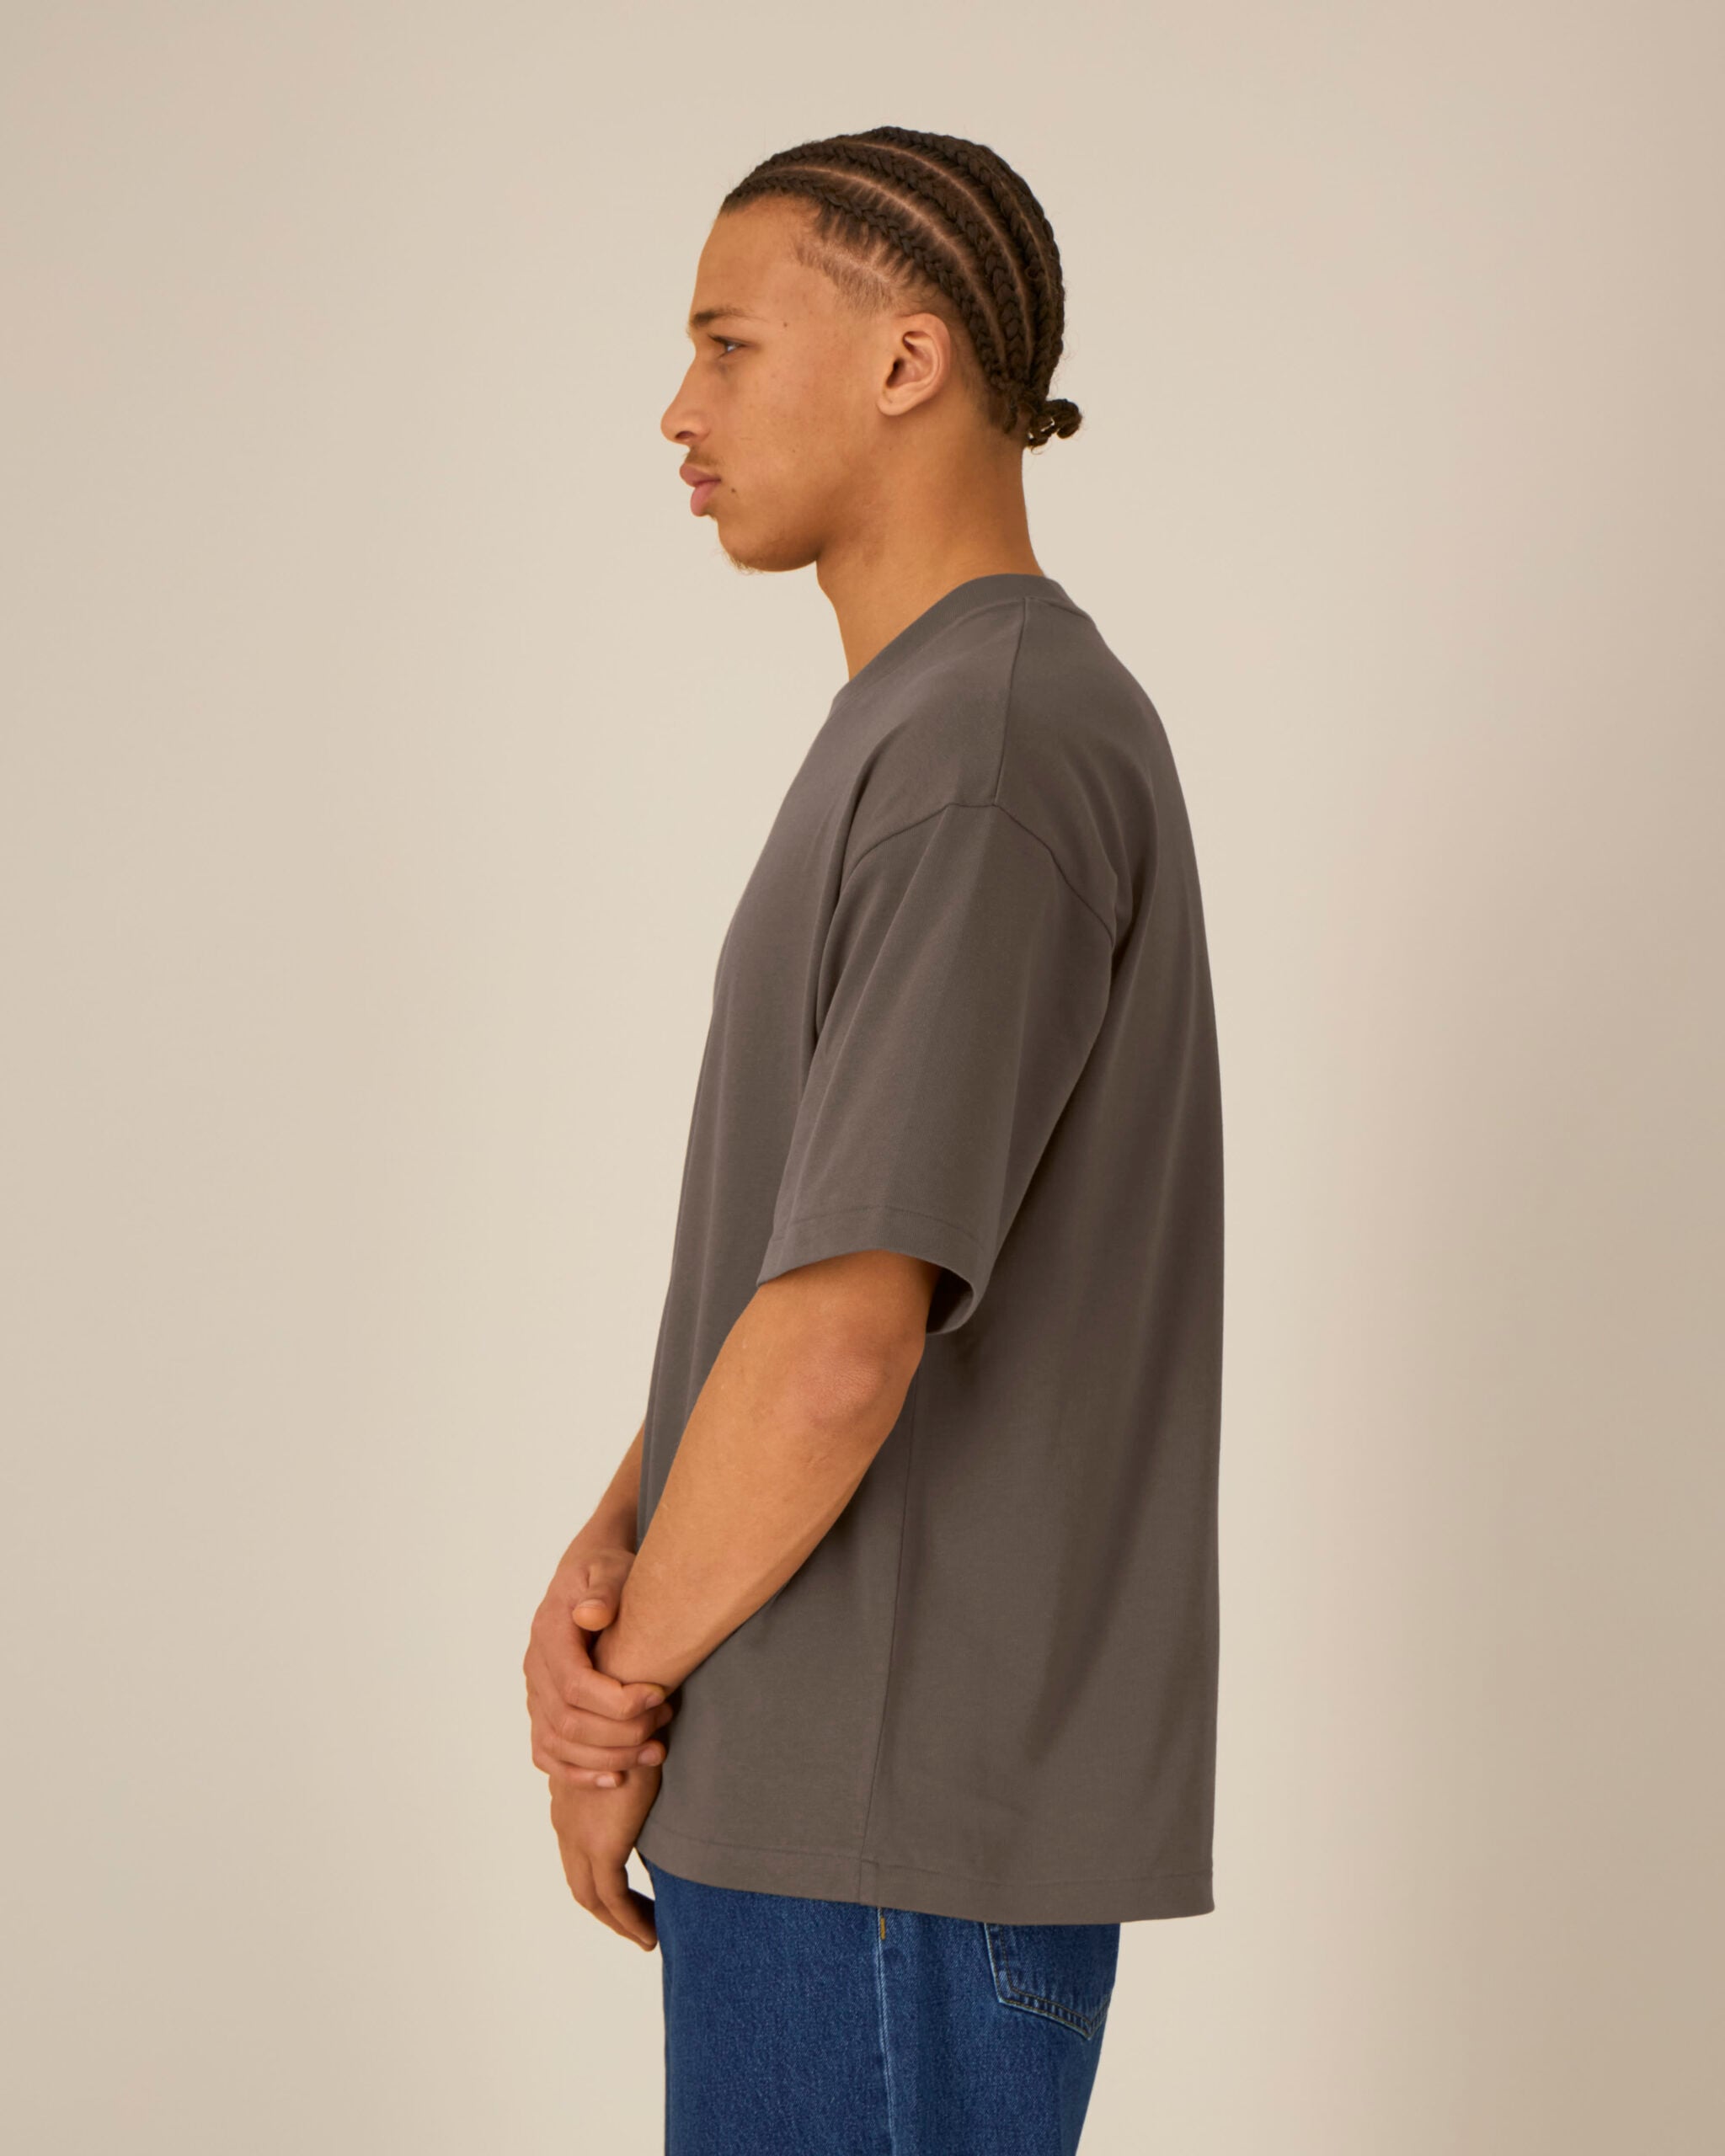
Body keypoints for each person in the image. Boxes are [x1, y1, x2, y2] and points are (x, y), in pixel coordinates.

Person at [523, 125, 1225, 2155]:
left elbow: (844, 1339)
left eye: (727, 344)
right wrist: (613, 1542)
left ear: (908, 360)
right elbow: (810, 1256)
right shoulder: (933, 726)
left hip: (884, 1831)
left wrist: (613, 1692)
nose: (680, 408)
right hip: (836, 1814)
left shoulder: (986, 743)